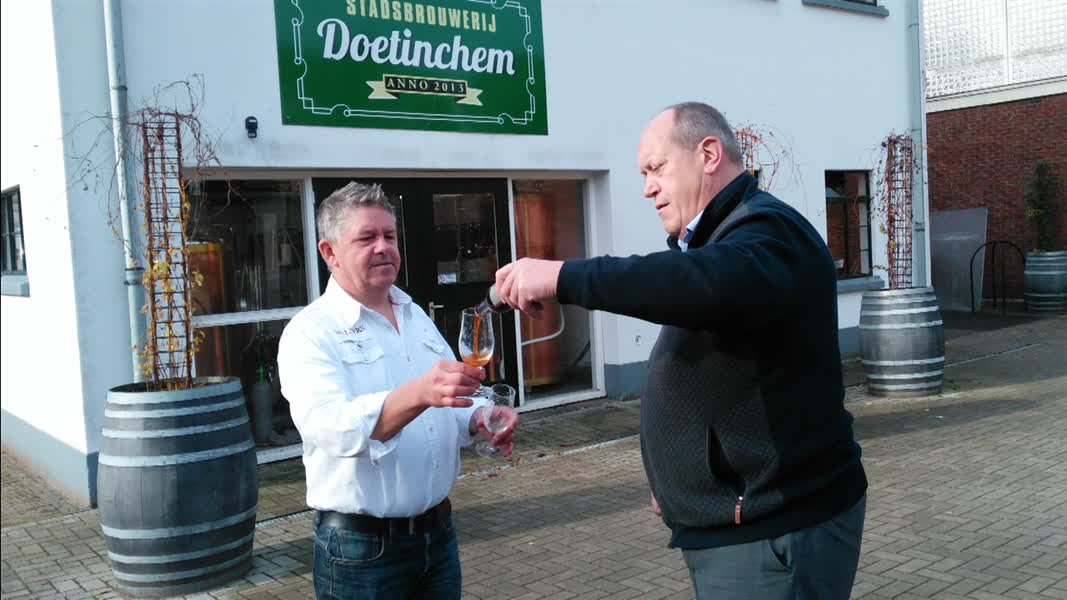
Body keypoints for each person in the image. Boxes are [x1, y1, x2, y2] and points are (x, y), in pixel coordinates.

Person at [494, 102, 867, 599]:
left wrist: (562, 276)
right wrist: (680, 478)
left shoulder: (769, 233)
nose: (647, 187)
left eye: (656, 168)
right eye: (643, 174)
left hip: (771, 534)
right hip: (737, 525)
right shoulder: (721, 241)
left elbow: (703, 285)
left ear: (708, 154)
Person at [277, 181, 518, 600]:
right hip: (361, 553)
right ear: (329, 252)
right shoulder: (310, 332)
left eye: (389, 236)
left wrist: (478, 417)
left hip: (437, 537)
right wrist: (419, 393)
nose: (383, 247)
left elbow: (446, 402)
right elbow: (332, 429)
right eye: (366, 238)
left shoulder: (414, 314)